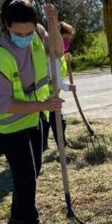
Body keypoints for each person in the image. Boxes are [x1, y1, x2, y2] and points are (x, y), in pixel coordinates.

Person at [0, 0, 68, 224]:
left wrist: (53, 22)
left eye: (29, 32)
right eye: (18, 33)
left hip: (32, 116)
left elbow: (56, 52)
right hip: (7, 122)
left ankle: (15, 220)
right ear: (6, 27)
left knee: (34, 169)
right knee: (26, 175)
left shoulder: (39, 32)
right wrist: (43, 105)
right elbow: (4, 103)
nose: (24, 38)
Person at [43, 21, 76, 151]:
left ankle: (55, 146)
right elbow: (55, 80)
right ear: (57, 38)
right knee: (55, 124)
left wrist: (65, 59)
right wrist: (68, 87)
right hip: (48, 97)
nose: (67, 42)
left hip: (51, 96)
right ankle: (58, 146)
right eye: (65, 39)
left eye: (69, 39)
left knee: (54, 123)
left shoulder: (58, 56)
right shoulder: (53, 58)